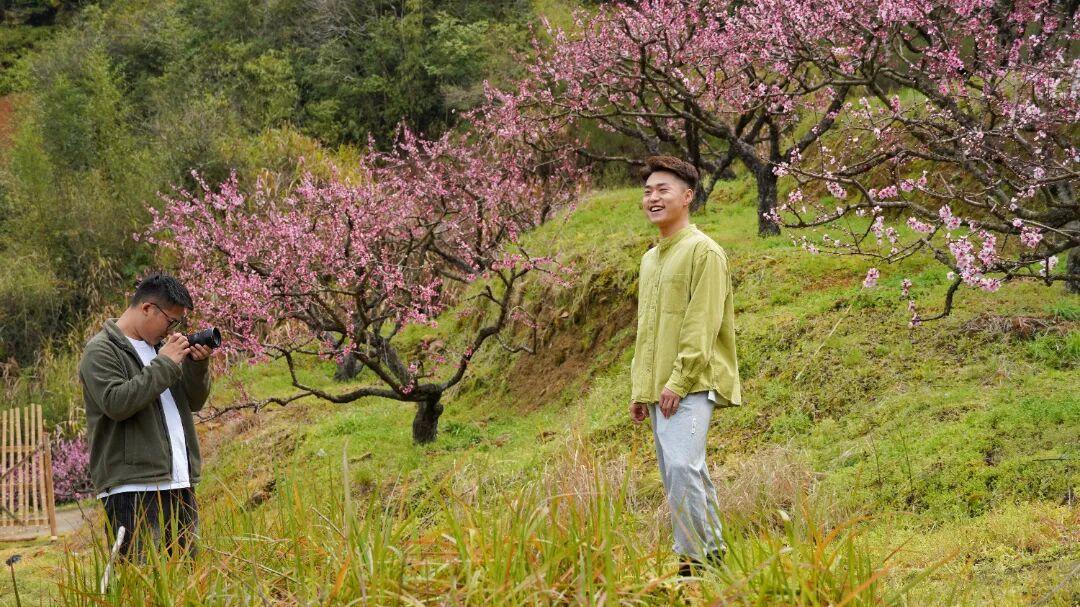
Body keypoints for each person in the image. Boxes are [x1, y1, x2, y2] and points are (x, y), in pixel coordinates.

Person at [628, 156, 742, 576]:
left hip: (689, 384)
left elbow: (702, 323)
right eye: (648, 192)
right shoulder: (650, 259)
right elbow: (646, 330)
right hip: (660, 388)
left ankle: (694, 563)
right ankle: (711, 557)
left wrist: (678, 380)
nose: (653, 198)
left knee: (682, 468)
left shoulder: (704, 251)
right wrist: (641, 389)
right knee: (681, 472)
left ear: (688, 196)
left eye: (663, 190)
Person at [79, 273, 213, 559]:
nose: (172, 330)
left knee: (188, 577)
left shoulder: (161, 351)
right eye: (171, 321)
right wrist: (164, 364)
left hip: (179, 481)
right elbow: (116, 403)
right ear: (148, 308)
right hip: (132, 487)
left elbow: (194, 402)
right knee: (139, 576)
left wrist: (197, 366)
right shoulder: (100, 350)